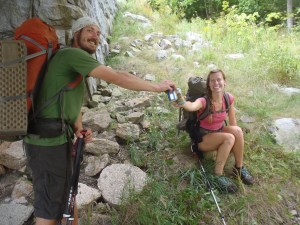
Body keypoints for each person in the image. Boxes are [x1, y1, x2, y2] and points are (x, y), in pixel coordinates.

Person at [23, 16, 174, 225]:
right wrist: (157, 87)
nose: (96, 36)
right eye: (90, 30)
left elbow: (68, 97)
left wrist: (78, 128)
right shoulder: (72, 54)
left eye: (99, 33)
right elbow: (117, 76)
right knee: (48, 210)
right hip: (47, 144)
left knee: (68, 197)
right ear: (76, 34)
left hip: (55, 140)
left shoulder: (71, 61)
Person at [176, 69, 254, 193]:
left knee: (237, 131)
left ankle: (239, 168)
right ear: (209, 84)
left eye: (219, 79)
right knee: (229, 138)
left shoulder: (228, 98)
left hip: (218, 131)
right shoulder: (203, 101)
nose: (216, 83)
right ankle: (217, 176)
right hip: (202, 138)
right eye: (212, 80)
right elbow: (192, 106)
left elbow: (233, 124)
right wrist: (182, 102)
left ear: (224, 82)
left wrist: (236, 142)